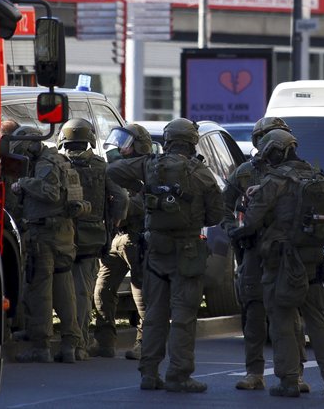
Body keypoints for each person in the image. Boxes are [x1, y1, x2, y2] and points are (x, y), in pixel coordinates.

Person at [108, 118, 224, 393]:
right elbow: (216, 215)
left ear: (169, 141)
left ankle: (149, 373)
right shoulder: (203, 173)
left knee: (155, 314)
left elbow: (113, 170)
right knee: (183, 315)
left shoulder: (151, 165)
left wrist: (145, 188)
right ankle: (179, 375)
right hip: (187, 252)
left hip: (156, 251)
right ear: (193, 142)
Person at [230, 129, 324, 399]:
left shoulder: (275, 180)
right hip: (315, 262)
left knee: (281, 320)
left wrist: (237, 231)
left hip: (281, 264)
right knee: (318, 322)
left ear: (275, 152)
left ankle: (289, 381)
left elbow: (252, 222)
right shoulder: (318, 177)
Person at [222, 117, 309, 392]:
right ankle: (254, 372)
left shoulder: (298, 172)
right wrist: (233, 231)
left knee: (289, 313)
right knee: (254, 311)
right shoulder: (245, 172)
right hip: (253, 251)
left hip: (284, 253)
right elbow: (223, 205)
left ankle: (295, 375)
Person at [9, 131, 86, 364]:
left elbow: (50, 193)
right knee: (65, 291)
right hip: (62, 233)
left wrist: (23, 183)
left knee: (39, 290)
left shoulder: (46, 164)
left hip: (44, 234)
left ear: (32, 146)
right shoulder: (61, 161)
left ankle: (40, 346)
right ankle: (70, 344)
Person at [58, 119, 128, 360]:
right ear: (89, 139)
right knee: (82, 291)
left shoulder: (58, 164)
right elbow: (121, 199)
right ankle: (80, 344)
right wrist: (114, 223)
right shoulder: (101, 166)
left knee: (59, 291)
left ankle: (66, 342)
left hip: (60, 236)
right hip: (91, 237)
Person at [91, 123, 155, 359]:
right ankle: (104, 341)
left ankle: (144, 343)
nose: (120, 148)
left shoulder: (148, 170)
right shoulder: (118, 170)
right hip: (117, 239)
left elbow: (142, 204)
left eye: (126, 144)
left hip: (138, 239)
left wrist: (121, 205)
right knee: (102, 290)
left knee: (142, 295)